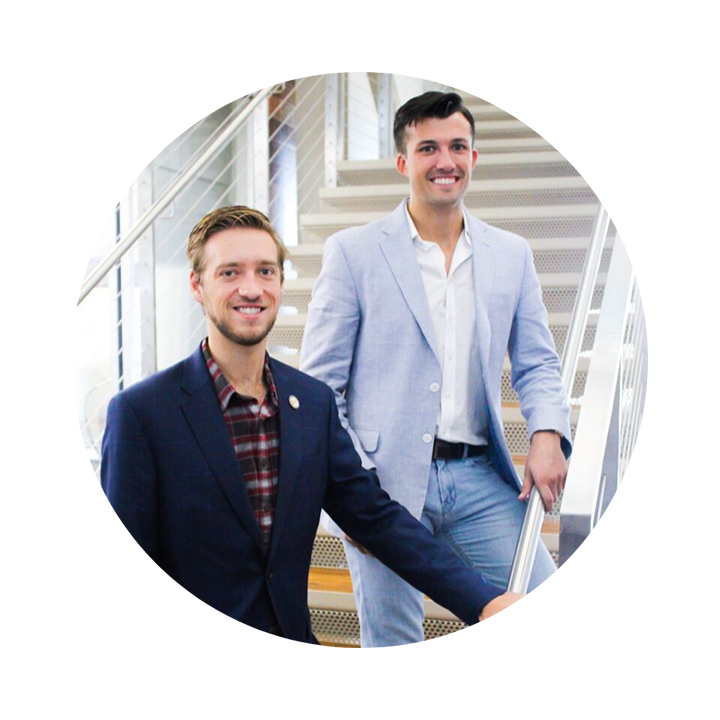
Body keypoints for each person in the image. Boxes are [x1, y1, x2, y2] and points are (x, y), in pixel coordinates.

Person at [101, 205, 522, 644]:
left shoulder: (313, 404)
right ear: (197, 285)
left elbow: (376, 520)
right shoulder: (141, 414)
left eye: (265, 271)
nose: (251, 288)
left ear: (281, 283)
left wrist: (483, 601)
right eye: (229, 273)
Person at [300, 92, 572, 647]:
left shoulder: (511, 254)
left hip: (477, 478)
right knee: (395, 642)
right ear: (404, 162)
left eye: (457, 146)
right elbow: (321, 387)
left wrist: (547, 432)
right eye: (428, 148)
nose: (444, 160)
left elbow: (538, 359)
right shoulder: (352, 252)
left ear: (473, 157)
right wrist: (355, 492)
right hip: (384, 485)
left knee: (541, 608)